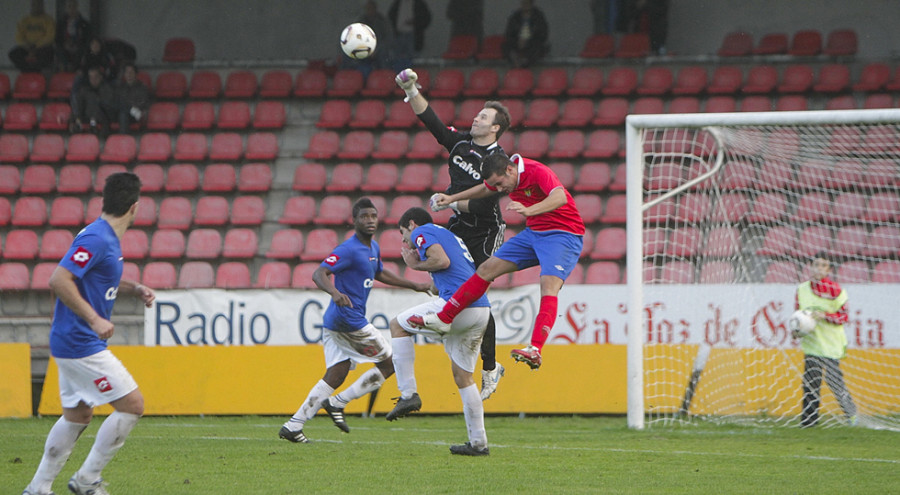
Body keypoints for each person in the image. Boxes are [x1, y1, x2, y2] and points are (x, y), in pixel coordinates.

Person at [22, 172, 156, 495]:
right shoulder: (98, 238)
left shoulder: (102, 236)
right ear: (135, 208)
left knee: (78, 415)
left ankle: (38, 487)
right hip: (81, 342)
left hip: (71, 340)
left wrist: (133, 287)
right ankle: (87, 479)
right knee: (133, 404)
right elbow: (59, 279)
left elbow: (93, 277)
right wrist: (95, 319)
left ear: (103, 202)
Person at [410, 153, 585, 370]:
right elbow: (485, 189)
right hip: (534, 233)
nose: (500, 189)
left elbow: (560, 197)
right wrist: (452, 199)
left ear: (510, 170)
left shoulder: (536, 171)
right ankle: (445, 318)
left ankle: (535, 349)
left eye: (500, 183)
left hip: (563, 235)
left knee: (548, 285)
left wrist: (529, 210)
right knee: (486, 269)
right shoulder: (503, 178)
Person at [279, 198, 432, 443]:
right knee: (390, 363)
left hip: (335, 323)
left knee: (337, 373)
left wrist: (415, 285)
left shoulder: (373, 248)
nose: (370, 220)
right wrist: (335, 293)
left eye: (373, 216)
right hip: (348, 320)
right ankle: (338, 403)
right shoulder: (348, 249)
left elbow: (379, 272)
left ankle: (293, 425)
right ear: (354, 220)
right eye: (364, 216)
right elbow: (319, 273)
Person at [395, 68, 508, 400]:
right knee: (440, 285)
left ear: (496, 127)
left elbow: (486, 207)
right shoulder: (460, 143)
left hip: (485, 230)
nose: (476, 119)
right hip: (457, 224)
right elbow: (432, 123)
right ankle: (452, 328)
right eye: (476, 115)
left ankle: (490, 367)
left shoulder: (498, 161)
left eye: (483, 117)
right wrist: (412, 89)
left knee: (477, 293)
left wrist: (453, 204)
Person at [387, 207, 492, 456]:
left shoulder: (423, 232)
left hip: (456, 308)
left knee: (397, 325)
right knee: (463, 377)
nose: (404, 241)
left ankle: (408, 394)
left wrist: (414, 264)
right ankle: (478, 443)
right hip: (480, 310)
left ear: (412, 224)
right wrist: (431, 284)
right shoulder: (450, 236)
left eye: (403, 234)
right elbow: (453, 268)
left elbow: (441, 261)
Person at [793, 252, 857, 428]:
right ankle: (809, 422)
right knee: (810, 383)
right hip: (812, 344)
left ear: (829, 270)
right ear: (811, 267)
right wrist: (797, 330)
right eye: (816, 264)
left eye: (823, 265)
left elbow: (843, 317)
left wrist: (825, 315)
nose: (819, 268)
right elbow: (798, 315)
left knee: (834, 381)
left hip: (831, 345)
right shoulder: (802, 289)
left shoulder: (836, 290)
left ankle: (851, 414)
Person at [8, 0, 56, 73]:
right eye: (34, 5)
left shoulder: (48, 20)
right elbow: (18, 37)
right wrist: (27, 46)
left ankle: (34, 72)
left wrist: (35, 46)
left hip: (41, 48)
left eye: (38, 5)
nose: (36, 7)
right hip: (27, 47)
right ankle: (27, 72)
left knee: (49, 54)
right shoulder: (25, 20)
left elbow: (50, 37)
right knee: (13, 54)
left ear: (42, 6)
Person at [351, 0, 394, 78]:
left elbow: (388, 39)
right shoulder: (360, 21)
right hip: (364, 50)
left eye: (371, 8)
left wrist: (376, 50)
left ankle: (383, 80)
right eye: (368, 8)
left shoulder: (382, 21)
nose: (370, 10)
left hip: (380, 50)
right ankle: (358, 80)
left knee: (384, 56)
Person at [70, 65, 116, 136]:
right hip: (87, 117)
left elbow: (109, 108)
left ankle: (92, 124)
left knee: (93, 101)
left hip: (104, 120)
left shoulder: (107, 89)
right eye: (91, 77)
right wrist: (76, 118)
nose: (93, 80)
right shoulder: (85, 90)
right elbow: (79, 106)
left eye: (95, 77)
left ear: (101, 77)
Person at [502, 0, 550, 68]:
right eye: (524, 3)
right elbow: (508, 33)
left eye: (527, 3)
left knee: (538, 47)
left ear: (532, 4)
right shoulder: (515, 16)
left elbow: (543, 34)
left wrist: (527, 40)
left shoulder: (538, 16)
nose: (525, 5)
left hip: (532, 43)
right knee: (505, 46)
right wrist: (518, 41)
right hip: (517, 42)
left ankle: (524, 61)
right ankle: (515, 60)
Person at [387, 0, 431, 71]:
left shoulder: (419, 3)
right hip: (399, 35)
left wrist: (416, 22)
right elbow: (390, 16)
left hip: (413, 36)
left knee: (412, 59)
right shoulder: (397, 3)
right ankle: (398, 77)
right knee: (397, 58)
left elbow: (427, 18)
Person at [55, 0, 93, 72]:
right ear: (66, 8)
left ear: (77, 7)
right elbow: (57, 39)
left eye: (74, 7)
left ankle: (74, 69)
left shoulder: (85, 24)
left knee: (83, 50)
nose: (72, 9)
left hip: (79, 47)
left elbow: (88, 39)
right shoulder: (60, 23)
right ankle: (65, 68)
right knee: (59, 49)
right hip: (65, 46)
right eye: (69, 7)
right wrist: (65, 44)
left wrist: (77, 44)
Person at [114, 63, 150, 134]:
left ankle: (124, 139)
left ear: (136, 74)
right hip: (120, 113)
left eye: (131, 72)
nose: (129, 75)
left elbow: (143, 103)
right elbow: (116, 102)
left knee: (123, 114)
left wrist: (131, 107)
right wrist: (130, 108)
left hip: (135, 115)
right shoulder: (120, 87)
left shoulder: (142, 87)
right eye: (127, 72)